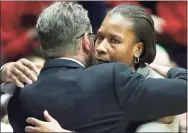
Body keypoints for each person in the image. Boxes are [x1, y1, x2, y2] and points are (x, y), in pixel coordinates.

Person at [1, 2, 187, 133]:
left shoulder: (19, 95)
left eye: (114, 40)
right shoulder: (110, 79)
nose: (100, 47)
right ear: (86, 42)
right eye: (98, 37)